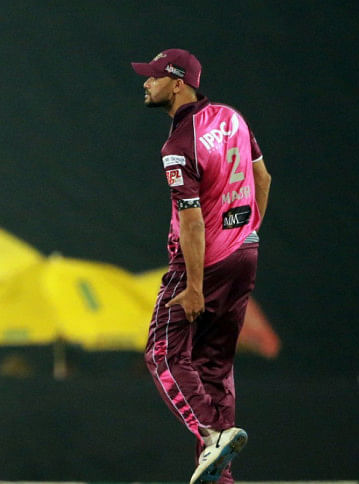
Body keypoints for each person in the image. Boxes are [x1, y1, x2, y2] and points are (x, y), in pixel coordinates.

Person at [131, 49, 271, 484]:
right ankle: (221, 476)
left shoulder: (178, 145)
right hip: (244, 254)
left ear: (177, 83)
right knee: (213, 367)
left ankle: (211, 434)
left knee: (162, 355)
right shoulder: (232, 118)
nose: (146, 83)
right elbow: (262, 179)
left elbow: (191, 221)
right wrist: (246, 231)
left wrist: (193, 287)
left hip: (201, 263)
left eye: (154, 76)